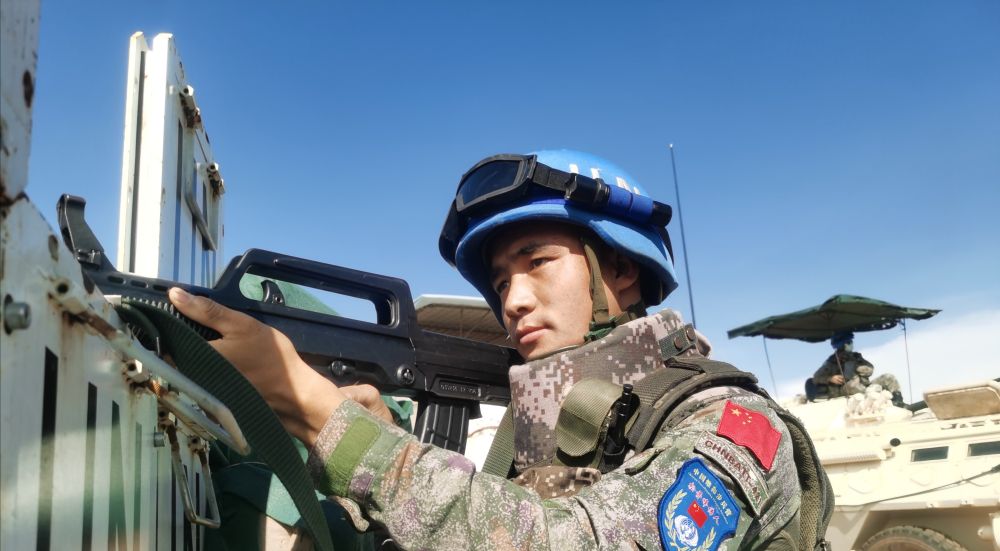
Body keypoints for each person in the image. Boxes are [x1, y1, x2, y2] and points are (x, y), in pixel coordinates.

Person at [168, 150, 832, 550]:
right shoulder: (539, 427)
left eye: (537, 262)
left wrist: (324, 419)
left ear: (622, 270)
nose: (512, 299)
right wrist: (376, 433)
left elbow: (567, 541)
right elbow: (487, 520)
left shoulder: (729, 425)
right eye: (500, 280)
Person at [808, 332, 902, 405]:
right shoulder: (832, 362)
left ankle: (898, 401)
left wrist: (858, 368)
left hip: (864, 385)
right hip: (844, 389)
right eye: (849, 342)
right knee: (852, 385)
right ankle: (872, 394)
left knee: (888, 378)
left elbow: (870, 368)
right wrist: (830, 378)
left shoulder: (856, 357)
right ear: (843, 345)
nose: (852, 344)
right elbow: (816, 377)